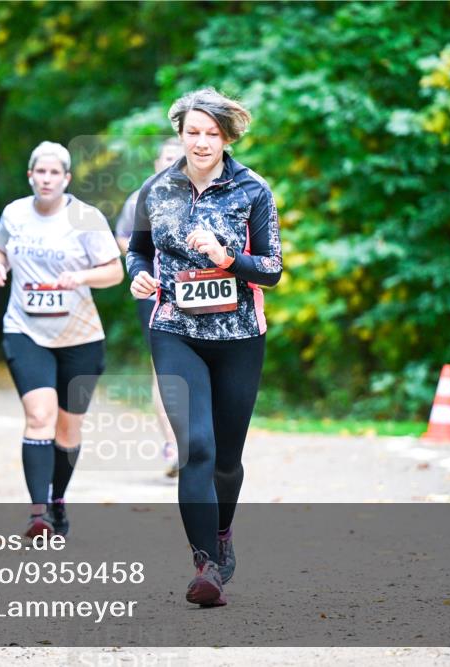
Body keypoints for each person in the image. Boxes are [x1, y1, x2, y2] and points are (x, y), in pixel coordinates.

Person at [127, 88, 282, 607]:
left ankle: (221, 533)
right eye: (192, 132)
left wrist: (227, 257)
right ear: (179, 133)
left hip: (239, 336)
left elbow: (272, 269)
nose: (201, 142)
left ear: (226, 138)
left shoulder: (253, 189)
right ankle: (205, 565)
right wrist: (138, 276)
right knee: (196, 446)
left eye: (211, 134)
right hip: (174, 329)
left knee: (226, 460)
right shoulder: (156, 189)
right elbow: (137, 251)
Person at [0, 141, 123, 539]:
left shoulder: (86, 218)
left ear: (67, 178)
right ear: (30, 176)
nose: (46, 179)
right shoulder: (14, 213)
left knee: (67, 430)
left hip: (81, 337)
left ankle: (58, 500)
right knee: (39, 416)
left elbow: (114, 272)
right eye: (40, 172)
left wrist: (81, 277)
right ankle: (38, 514)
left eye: (54, 173)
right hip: (26, 330)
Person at [115, 138, 184, 478]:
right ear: (156, 162)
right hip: (154, 293)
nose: (172, 163)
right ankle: (173, 446)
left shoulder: (203, 196)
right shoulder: (140, 197)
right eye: (167, 157)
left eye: (178, 158)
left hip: (196, 293)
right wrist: (147, 258)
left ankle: (200, 442)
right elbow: (123, 238)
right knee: (164, 369)